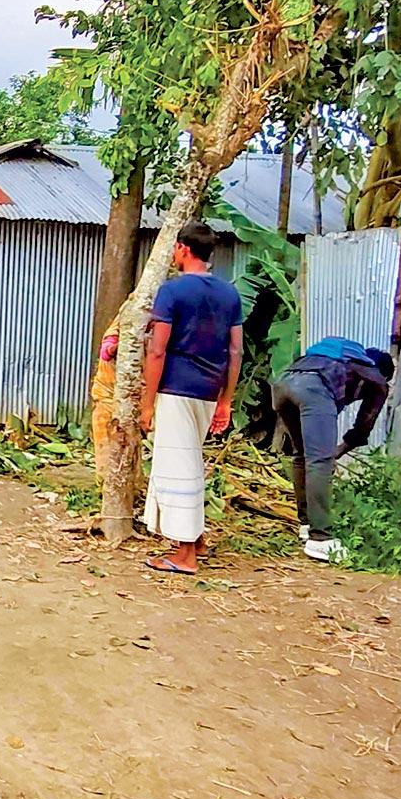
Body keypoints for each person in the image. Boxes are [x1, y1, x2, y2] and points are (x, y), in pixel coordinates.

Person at [140, 221, 243, 574]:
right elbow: (236, 351)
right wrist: (226, 400)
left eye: (174, 248)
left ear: (184, 249)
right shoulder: (229, 294)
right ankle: (195, 538)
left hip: (176, 389)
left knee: (178, 466)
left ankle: (185, 556)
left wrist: (147, 402)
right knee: (191, 461)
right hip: (209, 391)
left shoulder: (172, 292)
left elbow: (158, 350)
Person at [273, 336, 393, 562]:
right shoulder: (375, 376)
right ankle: (320, 539)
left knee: (302, 456)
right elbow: (363, 426)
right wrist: (332, 454)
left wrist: (332, 452)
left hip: (284, 384)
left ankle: (307, 525)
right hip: (314, 389)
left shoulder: (340, 360)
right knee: (319, 463)